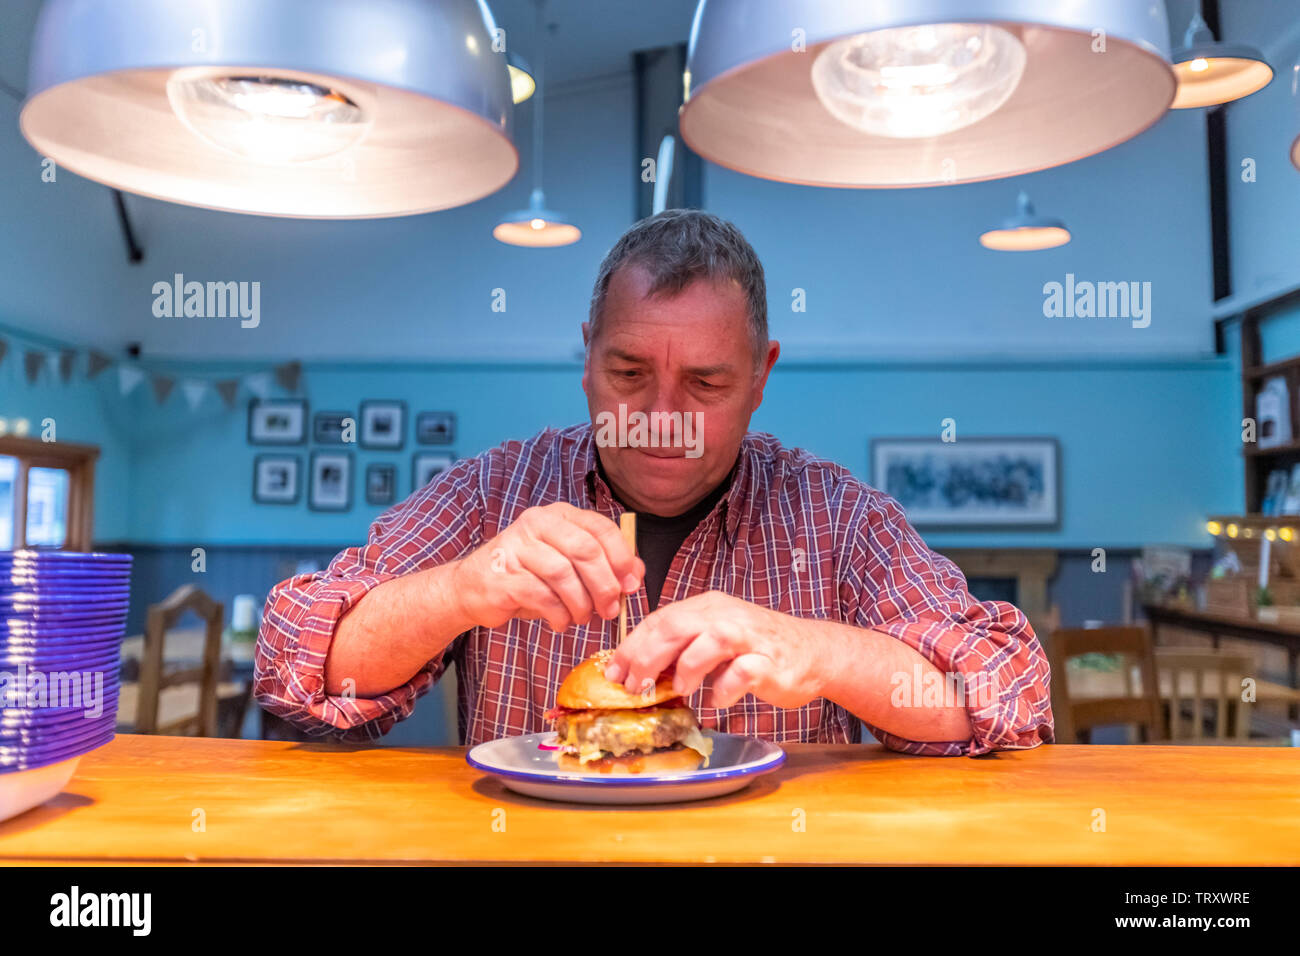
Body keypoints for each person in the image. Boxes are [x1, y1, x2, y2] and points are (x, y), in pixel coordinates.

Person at [255, 209, 1053, 756]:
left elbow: (1009, 698)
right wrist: (460, 590)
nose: (660, 418)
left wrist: (821, 653)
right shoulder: (493, 494)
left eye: (705, 384)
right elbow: (296, 664)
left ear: (760, 376)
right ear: (587, 355)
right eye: (630, 371)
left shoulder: (837, 517)